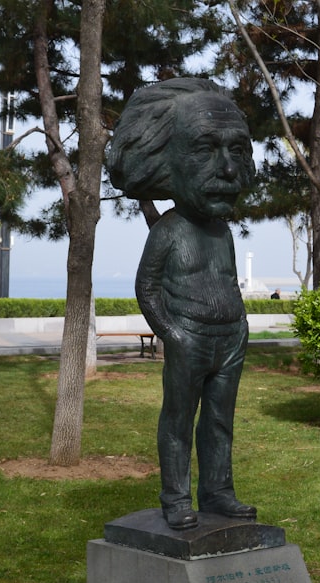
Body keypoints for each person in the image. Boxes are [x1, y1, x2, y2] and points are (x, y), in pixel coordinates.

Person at [106, 78, 258, 530]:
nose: (227, 170)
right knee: (178, 419)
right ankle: (175, 497)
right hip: (188, 336)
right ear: (166, 160)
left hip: (230, 338)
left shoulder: (222, 232)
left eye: (237, 151)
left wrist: (240, 325)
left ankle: (218, 491)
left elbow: (227, 279)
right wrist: (171, 332)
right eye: (206, 149)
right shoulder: (168, 230)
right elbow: (146, 287)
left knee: (219, 421)